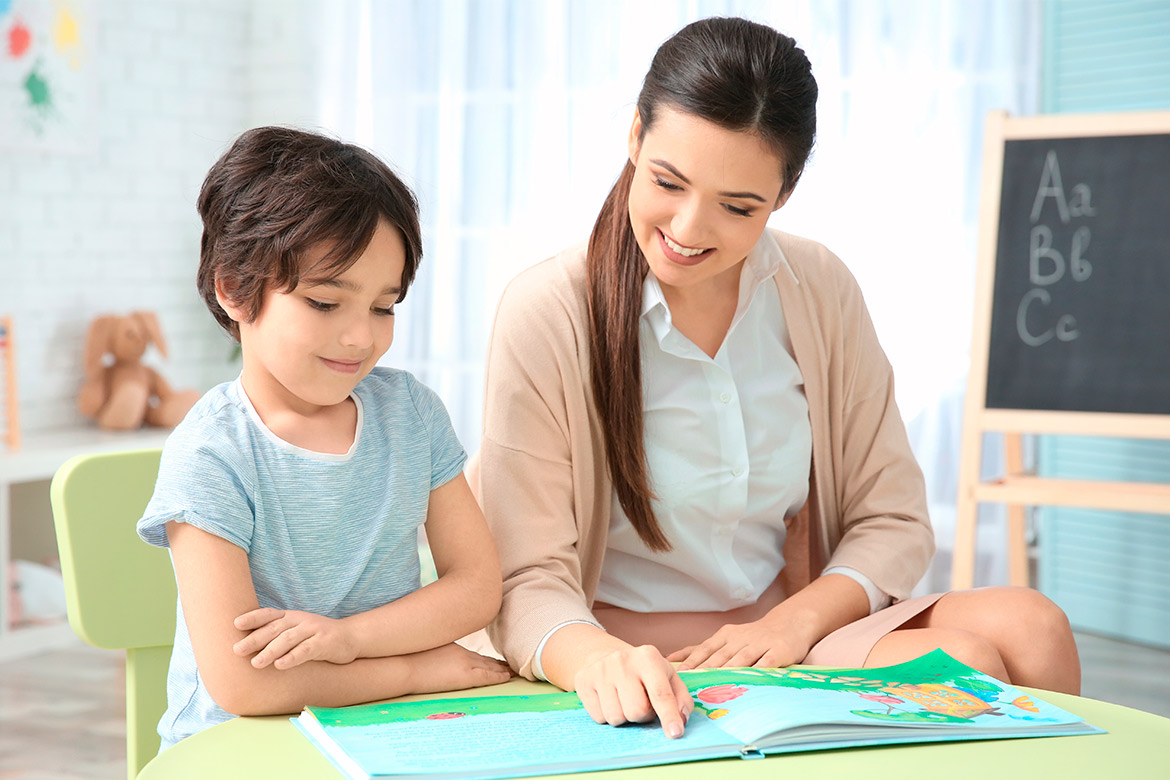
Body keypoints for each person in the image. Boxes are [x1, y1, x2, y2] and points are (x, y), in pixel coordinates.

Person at [470, 17, 1080, 739]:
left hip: (788, 632)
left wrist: (797, 621)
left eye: (738, 206)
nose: (690, 229)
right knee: (970, 658)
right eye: (668, 182)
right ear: (635, 136)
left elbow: (892, 518)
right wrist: (600, 660)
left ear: (784, 193)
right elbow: (523, 576)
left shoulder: (816, 286)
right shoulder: (549, 310)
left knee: (1033, 626)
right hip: (634, 654)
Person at [137, 126, 511, 750]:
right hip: (242, 743)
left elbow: (475, 587)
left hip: (386, 730)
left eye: (383, 307)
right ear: (233, 288)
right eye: (324, 303)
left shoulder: (411, 414)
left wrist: (348, 641)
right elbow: (241, 686)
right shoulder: (211, 455)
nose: (361, 338)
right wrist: (411, 671)